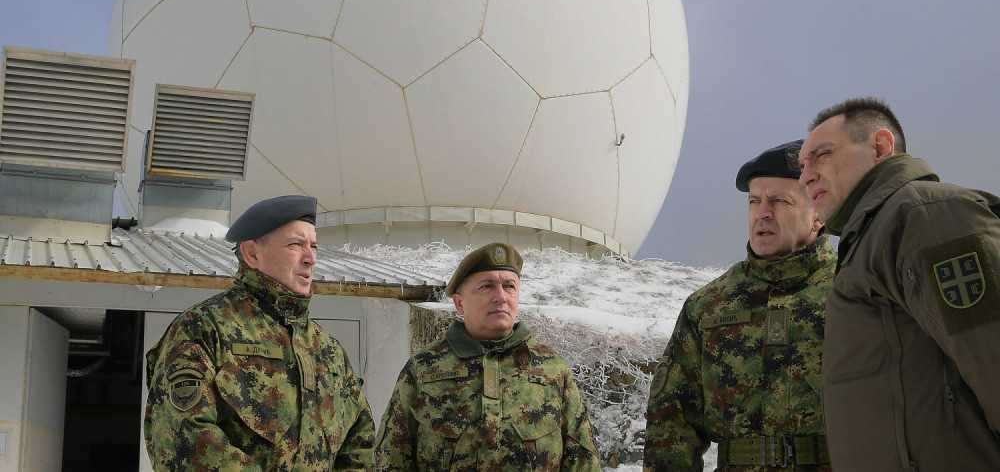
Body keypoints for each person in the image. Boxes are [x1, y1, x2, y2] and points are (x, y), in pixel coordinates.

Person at [798, 97, 1000, 470]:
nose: (805, 176)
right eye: (802, 166)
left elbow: (992, 351)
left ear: (880, 147)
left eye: (821, 155)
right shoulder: (871, 237)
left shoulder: (924, 216)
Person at [144, 194, 375, 471]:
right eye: (296, 244)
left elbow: (360, 443)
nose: (311, 258)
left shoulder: (329, 351)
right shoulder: (204, 329)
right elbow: (183, 440)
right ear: (252, 253)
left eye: (313, 246)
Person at [644, 140, 834, 471]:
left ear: (818, 215)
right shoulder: (708, 306)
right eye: (755, 201)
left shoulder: (855, 292)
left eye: (780, 201)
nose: (763, 212)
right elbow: (672, 424)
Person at [374, 242, 601, 471]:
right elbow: (391, 460)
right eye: (486, 286)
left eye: (509, 286)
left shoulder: (552, 369)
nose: (500, 296)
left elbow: (583, 463)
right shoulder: (423, 369)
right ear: (459, 303)